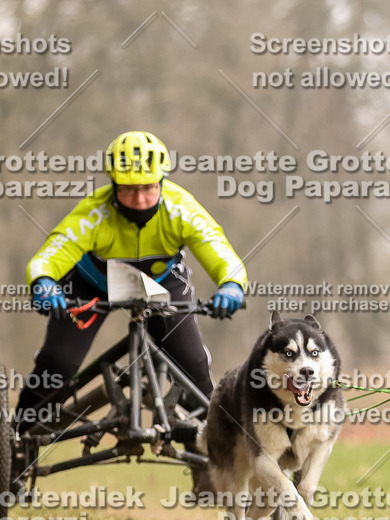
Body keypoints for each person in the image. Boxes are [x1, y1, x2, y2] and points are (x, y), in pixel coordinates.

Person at [14, 131, 246, 437]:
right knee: (57, 365)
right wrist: (44, 282)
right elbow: (51, 254)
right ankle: (17, 438)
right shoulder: (95, 213)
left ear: (162, 181)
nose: (139, 200)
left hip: (161, 286)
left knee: (193, 366)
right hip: (92, 285)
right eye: (128, 189)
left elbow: (217, 248)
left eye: (149, 188)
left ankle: (216, 448)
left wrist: (231, 284)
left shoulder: (181, 209)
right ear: (113, 184)